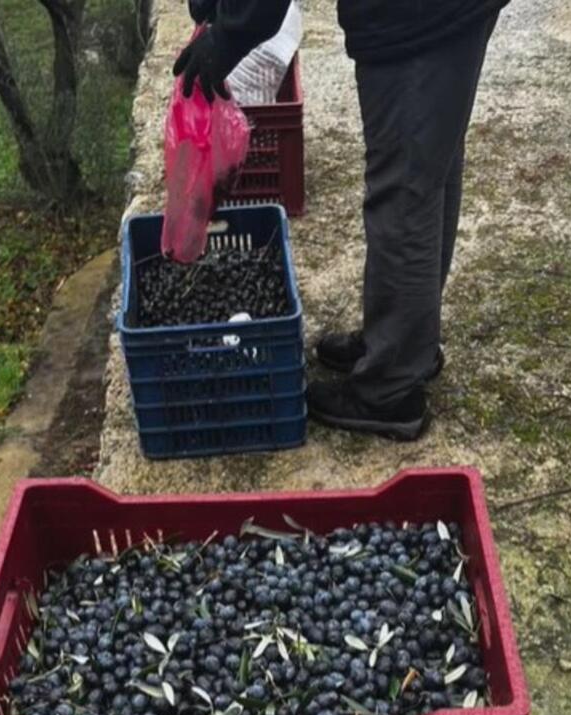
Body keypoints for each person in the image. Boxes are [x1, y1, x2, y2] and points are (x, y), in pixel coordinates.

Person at [175, 0, 509, 441]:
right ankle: (405, 341)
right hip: (439, 13)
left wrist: (230, 32)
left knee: (404, 188)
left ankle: (389, 389)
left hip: (415, 17)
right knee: (428, 168)